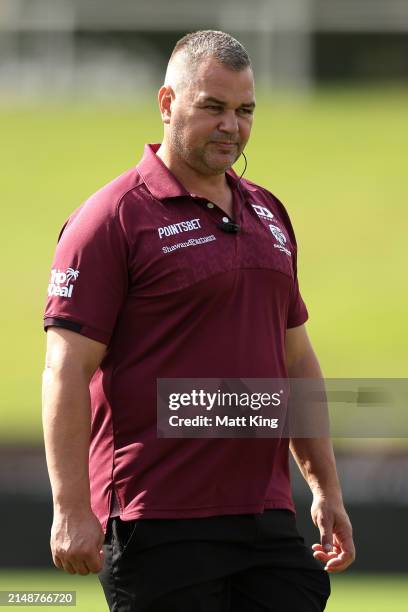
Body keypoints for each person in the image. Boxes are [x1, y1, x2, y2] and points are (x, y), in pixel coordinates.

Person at [42, 30, 355, 612]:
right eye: (212, 107)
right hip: (157, 518)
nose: (231, 126)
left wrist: (325, 487)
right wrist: (69, 507)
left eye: (244, 110)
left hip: (265, 518)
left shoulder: (269, 212)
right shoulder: (110, 219)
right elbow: (65, 369)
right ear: (167, 104)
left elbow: (297, 361)